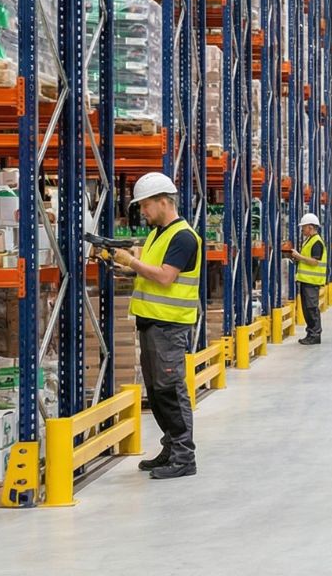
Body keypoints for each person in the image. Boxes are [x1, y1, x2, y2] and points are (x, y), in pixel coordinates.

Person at [110, 172, 203, 480]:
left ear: (164, 202)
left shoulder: (183, 236)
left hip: (170, 326)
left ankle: (183, 456)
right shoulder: (158, 234)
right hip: (152, 323)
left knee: (170, 390)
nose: (143, 212)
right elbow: (150, 275)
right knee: (157, 390)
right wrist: (125, 265)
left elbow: (165, 277)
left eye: (146, 206)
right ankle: (170, 447)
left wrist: (130, 261)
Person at [290, 213, 327, 344]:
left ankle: (315, 334)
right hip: (306, 280)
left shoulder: (316, 242)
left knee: (311, 308)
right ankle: (311, 333)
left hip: (312, 282)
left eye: (304, 227)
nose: (302, 230)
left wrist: (299, 257)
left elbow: (314, 262)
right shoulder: (309, 240)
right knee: (307, 309)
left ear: (310, 227)